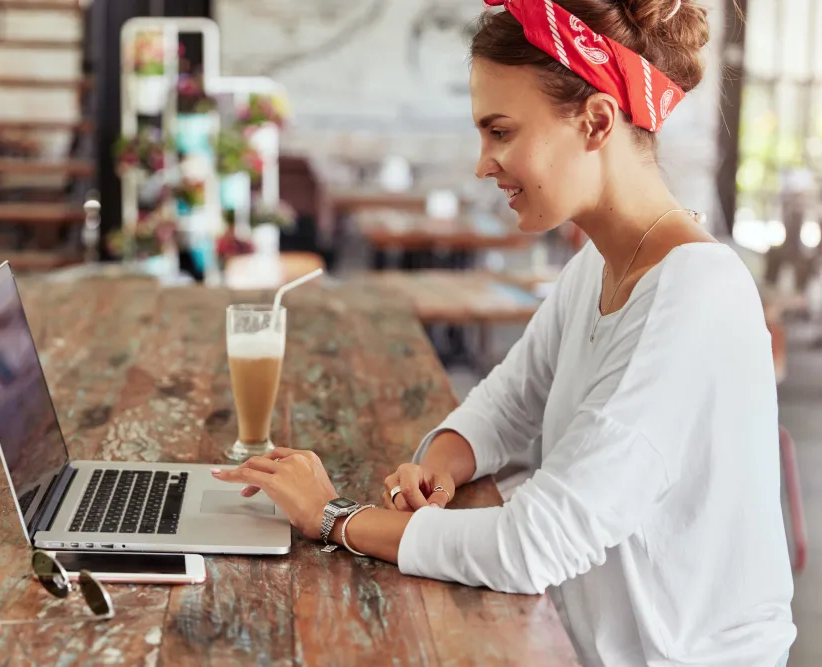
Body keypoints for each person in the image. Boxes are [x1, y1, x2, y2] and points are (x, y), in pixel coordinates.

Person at [212, 1, 797, 665]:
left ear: (597, 120)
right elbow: (507, 402)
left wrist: (333, 517)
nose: (482, 163)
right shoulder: (600, 265)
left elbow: (533, 545)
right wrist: (442, 463)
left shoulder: (693, 297)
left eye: (500, 131)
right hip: (571, 640)